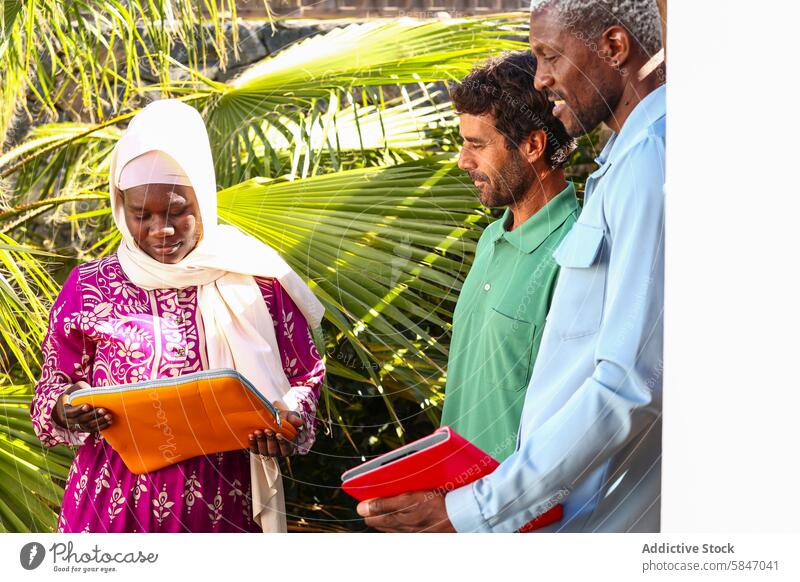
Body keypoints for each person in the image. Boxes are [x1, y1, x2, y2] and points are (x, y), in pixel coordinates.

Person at [358, 0, 665, 532]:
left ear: (614, 47)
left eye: (549, 56)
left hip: (536, 519)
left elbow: (626, 385)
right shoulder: (622, 164)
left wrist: (477, 509)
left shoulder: (650, 162)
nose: (542, 80)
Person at [30, 99, 326, 533]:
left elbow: (306, 377)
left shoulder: (256, 279)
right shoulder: (88, 287)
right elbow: (50, 391)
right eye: (140, 215)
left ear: (202, 199)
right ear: (120, 207)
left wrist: (288, 422)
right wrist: (64, 410)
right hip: (107, 505)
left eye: (177, 211)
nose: (159, 230)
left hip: (221, 504)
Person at [440, 51, 578, 463]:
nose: (464, 161)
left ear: (533, 145)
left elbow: (570, 429)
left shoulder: (576, 254)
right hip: (457, 509)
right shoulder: (490, 238)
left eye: (477, 145)